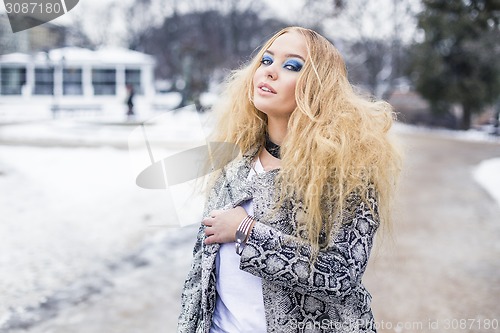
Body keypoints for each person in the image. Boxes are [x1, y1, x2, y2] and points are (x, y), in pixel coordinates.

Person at [178, 26, 402, 333]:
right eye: (267, 61)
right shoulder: (235, 163)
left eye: (291, 66)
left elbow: (339, 273)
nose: (269, 72)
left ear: (319, 88)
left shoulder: (346, 174)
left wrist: (246, 231)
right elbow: (200, 275)